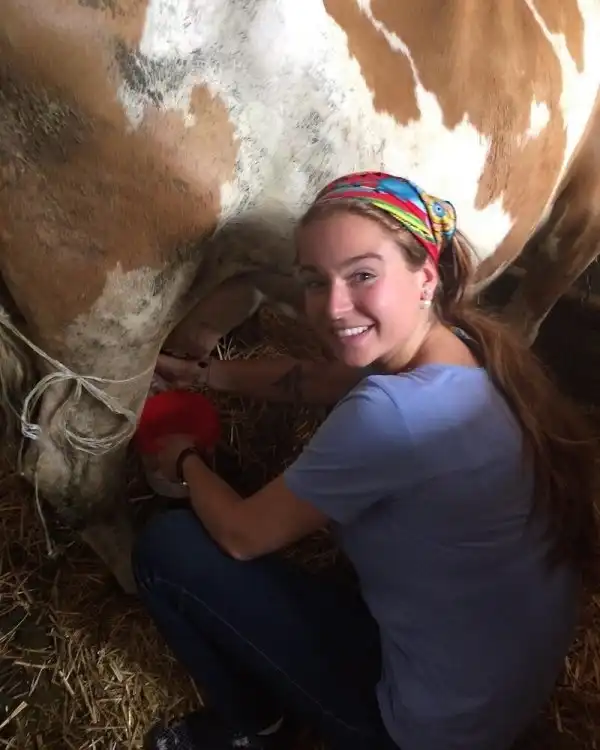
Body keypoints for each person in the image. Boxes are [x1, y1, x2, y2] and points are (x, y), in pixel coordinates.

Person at [132, 172, 598, 750]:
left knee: (168, 547)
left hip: (418, 729)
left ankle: (254, 727)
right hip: (492, 690)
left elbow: (242, 536)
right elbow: (322, 379)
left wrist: (183, 458)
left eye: (362, 275)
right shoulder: (464, 347)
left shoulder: (390, 415)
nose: (332, 307)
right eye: (314, 280)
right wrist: (205, 375)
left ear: (425, 277)